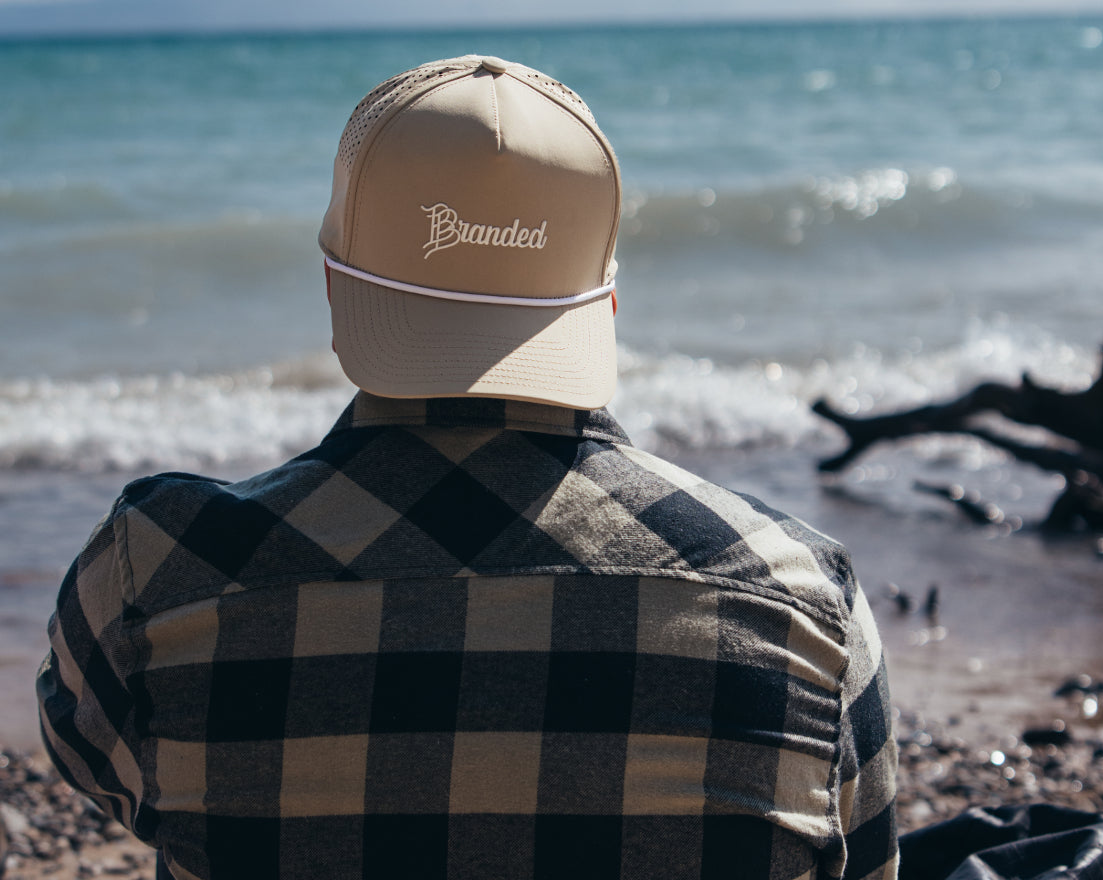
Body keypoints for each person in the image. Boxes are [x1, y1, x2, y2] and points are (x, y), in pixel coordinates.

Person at [37, 55, 898, 880]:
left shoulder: (157, 575)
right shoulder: (803, 605)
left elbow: (104, 765)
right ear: (606, 300)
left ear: (336, 284)